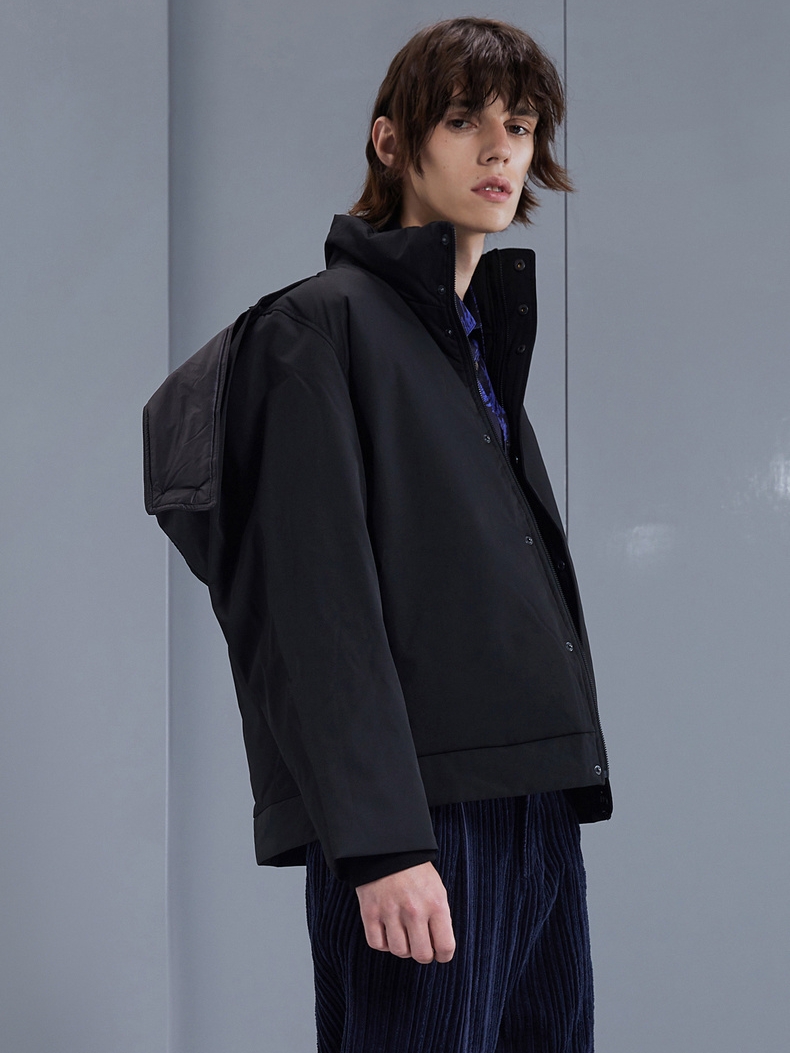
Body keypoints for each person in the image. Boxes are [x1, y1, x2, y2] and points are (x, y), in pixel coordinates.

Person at [144, 15, 611, 1053]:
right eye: (464, 120)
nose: (500, 150)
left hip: (532, 804)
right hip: (426, 821)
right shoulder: (316, 331)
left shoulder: (472, 344)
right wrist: (381, 844)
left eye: (520, 126)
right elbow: (315, 611)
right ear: (392, 141)